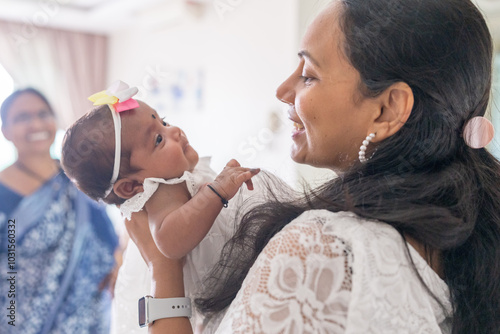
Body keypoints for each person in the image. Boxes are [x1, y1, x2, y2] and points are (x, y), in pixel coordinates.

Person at [126, 0, 500, 333]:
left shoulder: (325, 252)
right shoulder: (467, 228)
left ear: (387, 109)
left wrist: (163, 268)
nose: (283, 90)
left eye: (308, 74)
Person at [60, 82, 263, 331]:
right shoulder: (160, 188)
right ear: (130, 188)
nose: (175, 131)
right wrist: (216, 191)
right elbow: (170, 241)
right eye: (158, 139)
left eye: (163, 122)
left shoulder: (171, 175)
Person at [0, 88, 119, 334]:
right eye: (22, 118)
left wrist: (117, 265)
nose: (35, 123)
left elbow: (107, 238)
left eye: (43, 114)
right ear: (6, 131)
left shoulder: (78, 179)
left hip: (87, 319)